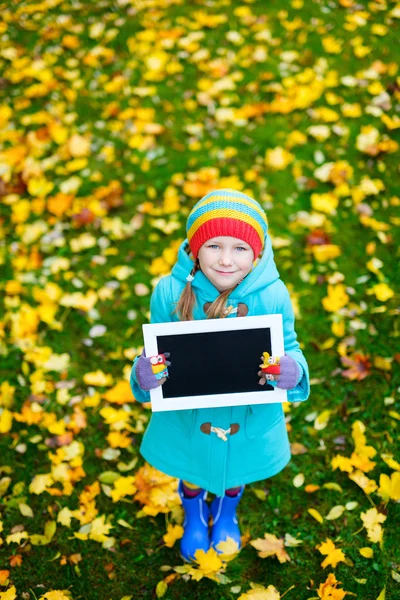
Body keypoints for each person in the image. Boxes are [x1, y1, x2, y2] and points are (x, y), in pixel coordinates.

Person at [130, 189, 310, 561]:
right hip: (190, 414)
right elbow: (153, 350)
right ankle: (195, 512)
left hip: (246, 415)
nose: (226, 260)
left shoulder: (273, 295)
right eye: (214, 246)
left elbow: (289, 345)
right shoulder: (169, 292)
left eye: (240, 249)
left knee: (236, 465)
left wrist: (294, 369)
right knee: (193, 466)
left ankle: (226, 511)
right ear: (196, 249)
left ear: (256, 252)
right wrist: (144, 374)